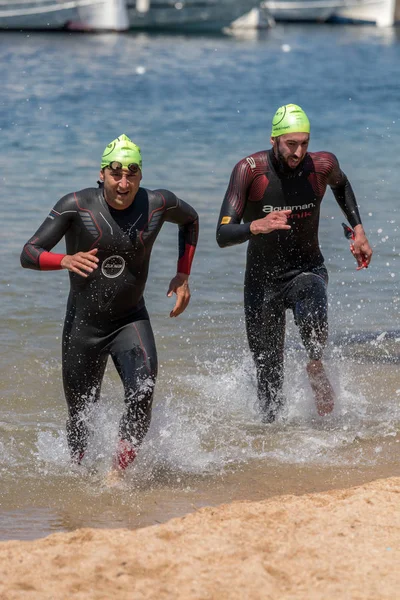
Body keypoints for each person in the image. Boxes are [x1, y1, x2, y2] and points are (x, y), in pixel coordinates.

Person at [21, 134, 199, 475]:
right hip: (83, 327)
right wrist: (64, 260)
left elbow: (191, 221)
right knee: (80, 419)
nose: (123, 182)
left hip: (129, 319)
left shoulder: (158, 204)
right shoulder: (76, 205)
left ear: (140, 176)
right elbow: (29, 253)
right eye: (116, 172)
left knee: (143, 390)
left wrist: (183, 275)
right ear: (102, 173)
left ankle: (117, 474)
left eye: (132, 173)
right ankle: (78, 480)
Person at [216, 104, 372, 422]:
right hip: (262, 281)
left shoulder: (322, 165)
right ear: (274, 139)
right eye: (291, 143)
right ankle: (274, 453)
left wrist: (357, 229)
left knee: (313, 292)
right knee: (269, 385)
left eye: (304, 143)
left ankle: (315, 363)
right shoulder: (249, 171)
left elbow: (342, 185)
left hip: (306, 268)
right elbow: (222, 233)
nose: (298, 151)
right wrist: (254, 226)